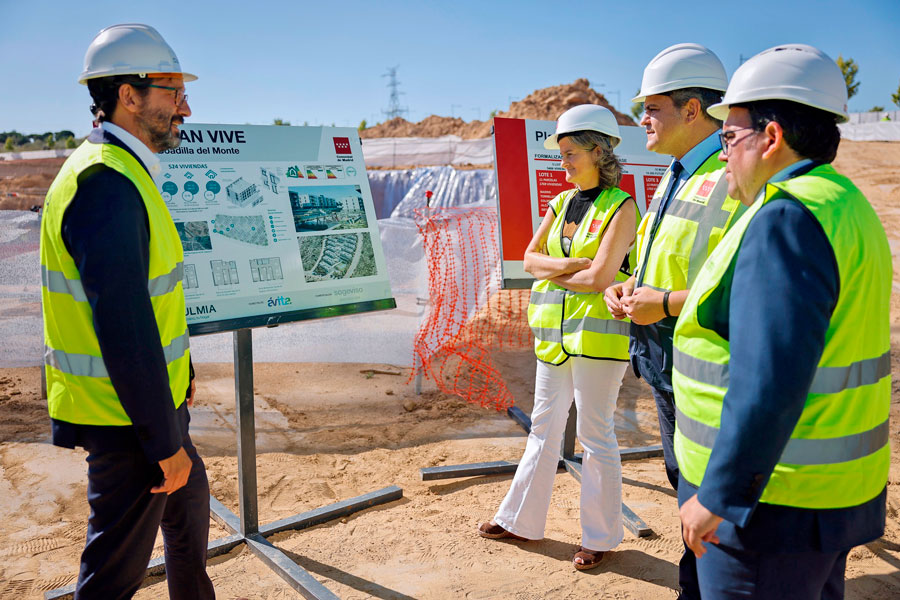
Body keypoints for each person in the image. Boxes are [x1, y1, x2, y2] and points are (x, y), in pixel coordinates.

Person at [673, 44, 890, 599]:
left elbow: (769, 379)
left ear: (771, 138)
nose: (722, 156)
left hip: (766, 510)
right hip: (819, 499)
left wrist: (720, 493)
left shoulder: (785, 217)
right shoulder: (842, 202)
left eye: (728, 137)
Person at [40, 24, 215, 599]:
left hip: (151, 405)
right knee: (114, 572)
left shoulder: (124, 170)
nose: (185, 106)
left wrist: (180, 381)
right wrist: (162, 441)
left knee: (189, 522)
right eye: (171, 91)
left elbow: (148, 304)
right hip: (126, 419)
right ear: (128, 95)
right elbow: (124, 326)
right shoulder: (105, 184)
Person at [603, 42, 744, 599]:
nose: (642, 121)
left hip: (705, 366)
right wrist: (631, 283)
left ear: (693, 110)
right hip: (663, 358)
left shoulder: (735, 177)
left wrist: (662, 302)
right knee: (681, 481)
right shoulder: (674, 172)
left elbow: (738, 283)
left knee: (710, 490)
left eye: (652, 108)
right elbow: (665, 253)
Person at [478, 104, 638, 570]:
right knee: (543, 427)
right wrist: (570, 266)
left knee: (595, 435)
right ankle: (519, 522)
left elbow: (601, 277)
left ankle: (601, 536)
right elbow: (529, 260)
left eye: (569, 153)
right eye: (561, 154)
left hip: (599, 342)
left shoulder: (623, 207)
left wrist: (563, 272)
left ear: (598, 150)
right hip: (556, 339)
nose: (562, 162)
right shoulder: (562, 202)